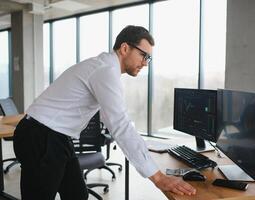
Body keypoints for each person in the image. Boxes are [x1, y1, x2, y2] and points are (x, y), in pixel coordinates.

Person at [13, 25, 196, 200]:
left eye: (148, 58)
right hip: (40, 135)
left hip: (56, 135)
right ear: (125, 48)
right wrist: (158, 178)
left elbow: (113, 118)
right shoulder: (105, 70)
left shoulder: (104, 68)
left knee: (76, 194)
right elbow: (119, 124)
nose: (145, 63)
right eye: (143, 55)